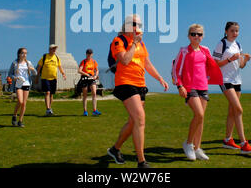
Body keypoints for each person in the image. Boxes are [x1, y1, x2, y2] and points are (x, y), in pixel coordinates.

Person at [107, 14, 169, 169]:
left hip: (140, 84)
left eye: (140, 24)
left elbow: (147, 63)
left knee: (134, 121)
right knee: (140, 118)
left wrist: (159, 78)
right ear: (127, 25)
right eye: (134, 24)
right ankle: (141, 162)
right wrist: (134, 43)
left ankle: (115, 149)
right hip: (125, 83)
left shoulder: (142, 44)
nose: (138, 27)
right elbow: (125, 60)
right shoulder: (118, 41)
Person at [173, 24, 224, 161]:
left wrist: (210, 78)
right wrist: (180, 86)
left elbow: (210, 66)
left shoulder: (205, 50)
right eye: (194, 34)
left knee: (201, 119)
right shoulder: (183, 51)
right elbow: (175, 69)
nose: (197, 36)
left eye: (199, 34)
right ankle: (188, 144)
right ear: (189, 36)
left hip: (203, 87)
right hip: (190, 87)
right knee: (199, 114)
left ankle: (197, 148)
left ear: (203, 36)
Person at [212, 22, 251, 154]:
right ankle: (244, 143)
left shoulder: (238, 45)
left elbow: (241, 65)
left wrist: (245, 60)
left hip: (237, 80)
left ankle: (227, 140)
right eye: (232, 30)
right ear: (226, 31)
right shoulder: (222, 44)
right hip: (225, 80)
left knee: (232, 110)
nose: (235, 33)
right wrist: (231, 59)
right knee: (238, 109)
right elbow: (216, 64)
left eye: (237, 31)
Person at [8, 48, 37, 127]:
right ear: (19, 54)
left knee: (24, 103)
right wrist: (14, 77)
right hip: (18, 84)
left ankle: (20, 121)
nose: (24, 55)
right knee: (20, 101)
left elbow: (35, 73)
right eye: (23, 53)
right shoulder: (14, 63)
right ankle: (14, 115)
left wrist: (32, 69)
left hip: (26, 83)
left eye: (26, 53)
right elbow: (10, 74)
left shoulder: (28, 63)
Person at [36, 44, 67, 116]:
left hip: (53, 78)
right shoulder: (44, 57)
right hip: (45, 78)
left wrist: (63, 74)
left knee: (51, 94)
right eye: (53, 49)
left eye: (55, 49)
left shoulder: (56, 58)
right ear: (50, 49)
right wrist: (37, 77)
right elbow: (39, 67)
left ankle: (50, 108)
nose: (54, 50)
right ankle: (47, 109)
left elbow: (59, 66)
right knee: (47, 92)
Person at [78, 48, 101, 116]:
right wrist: (87, 74)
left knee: (94, 93)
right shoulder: (83, 62)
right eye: (88, 53)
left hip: (92, 78)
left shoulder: (94, 62)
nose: (89, 55)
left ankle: (94, 110)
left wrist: (95, 75)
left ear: (92, 54)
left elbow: (97, 70)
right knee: (85, 95)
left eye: (90, 54)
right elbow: (79, 70)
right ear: (86, 54)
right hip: (85, 78)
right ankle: (85, 111)